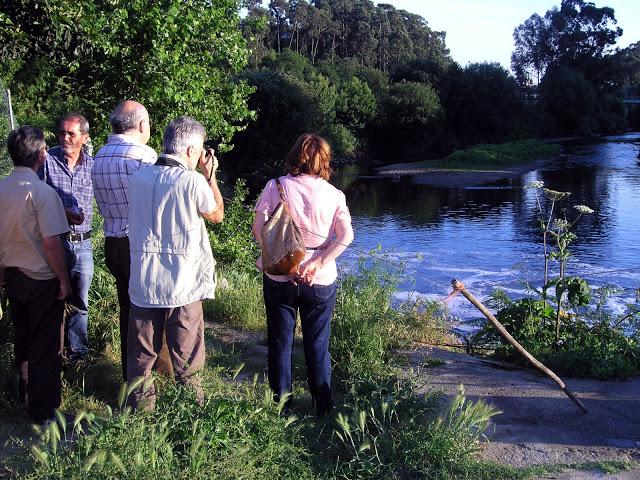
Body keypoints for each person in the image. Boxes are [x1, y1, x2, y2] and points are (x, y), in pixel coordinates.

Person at [252, 133, 354, 415]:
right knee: (318, 345)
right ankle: (323, 407)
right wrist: (318, 263)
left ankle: (282, 407)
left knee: (280, 342)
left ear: (296, 156)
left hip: (280, 276)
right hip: (319, 280)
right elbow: (346, 236)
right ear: (325, 161)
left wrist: (287, 265)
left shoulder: (275, 186)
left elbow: (259, 228)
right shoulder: (335, 195)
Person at [126, 116, 224, 409]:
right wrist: (210, 176)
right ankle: (192, 419)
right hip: (183, 284)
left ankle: (140, 420)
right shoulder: (193, 181)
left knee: (142, 359)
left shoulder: (138, 178)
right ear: (192, 150)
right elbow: (216, 214)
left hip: (144, 281)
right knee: (188, 360)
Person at [92, 100, 172, 380]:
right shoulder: (144, 157)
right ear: (141, 125)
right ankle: (156, 381)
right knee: (154, 313)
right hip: (139, 246)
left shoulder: (99, 155)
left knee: (128, 310)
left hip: (112, 243)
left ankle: (131, 376)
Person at [0, 126, 72, 423]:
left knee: (23, 336)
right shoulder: (42, 193)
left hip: (12, 276)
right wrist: (65, 280)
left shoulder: (2, 188)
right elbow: (52, 244)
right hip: (41, 278)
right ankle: (43, 412)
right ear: (42, 155)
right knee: (45, 344)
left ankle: (25, 396)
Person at [39, 113, 94, 363]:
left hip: (84, 243)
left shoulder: (93, 165)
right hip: (55, 242)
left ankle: (78, 356)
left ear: (84, 137)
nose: (65, 138)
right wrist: (62, 214)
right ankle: (52, 353)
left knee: (80, 302)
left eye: (71, 133)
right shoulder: (47, 162)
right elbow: (35, 201)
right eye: (62, 132)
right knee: (54, 299)